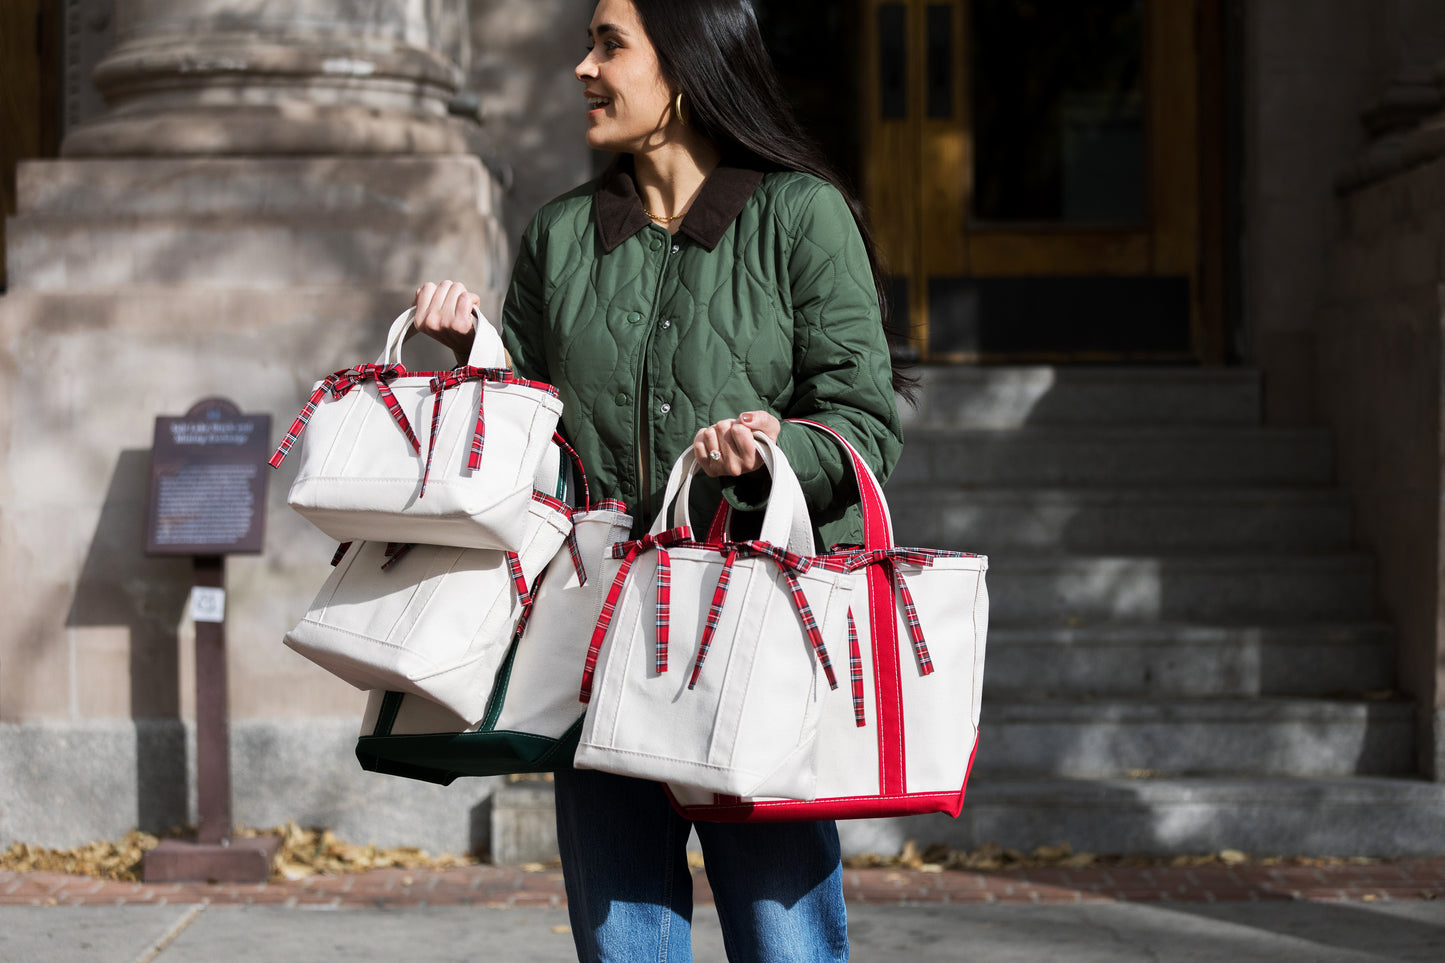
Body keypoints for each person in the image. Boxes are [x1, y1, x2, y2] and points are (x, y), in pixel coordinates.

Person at [412, 1, 906, 958]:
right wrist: (477, 356)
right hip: (600, 636)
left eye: (608, 46)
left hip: (753, 632)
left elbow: (864, 424)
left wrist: (769, 458)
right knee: (623, 944)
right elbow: (538, 453)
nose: (580, 70)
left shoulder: (798, 216)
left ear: (684, 66)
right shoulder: (561, 237)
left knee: (784, 940)